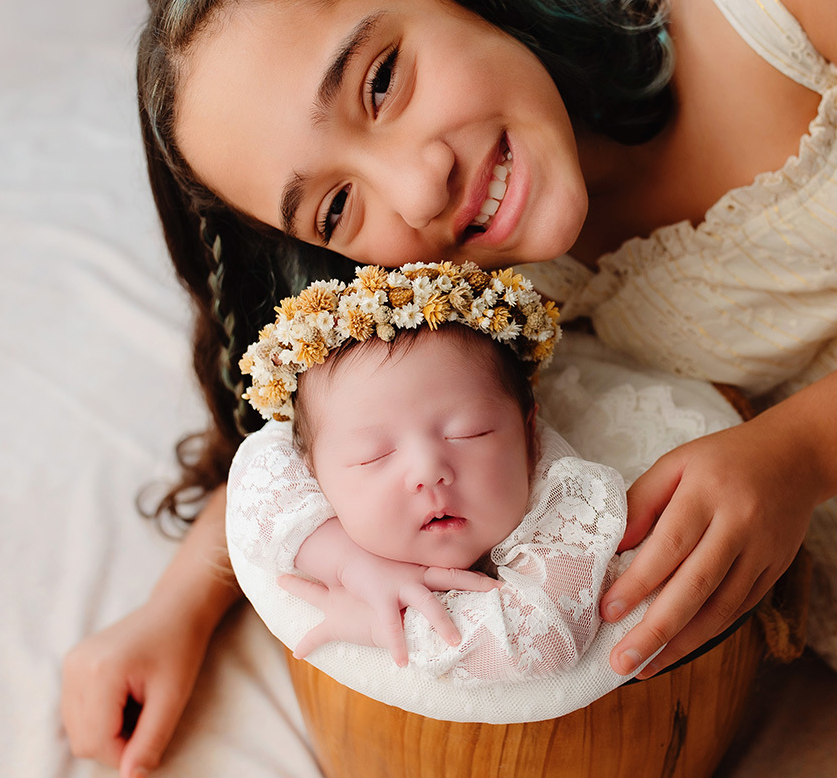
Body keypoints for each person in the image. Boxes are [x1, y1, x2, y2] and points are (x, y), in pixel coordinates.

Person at [61, 0, 837, 776]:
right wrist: (169, 614)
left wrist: (798, 456)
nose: (417, 183)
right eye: (337, 206)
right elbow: (326, 423)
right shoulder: (475, 280)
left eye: (381, 79)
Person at [225, 261, 631, 681]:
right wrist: (351, 565)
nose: (428, 471)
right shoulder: (298, 467)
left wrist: (381, 624)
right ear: (314, 474)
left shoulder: (569, 502)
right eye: (373, 455)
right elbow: (258, 483)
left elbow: (542, 640)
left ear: (529, 437)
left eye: (468, 434)